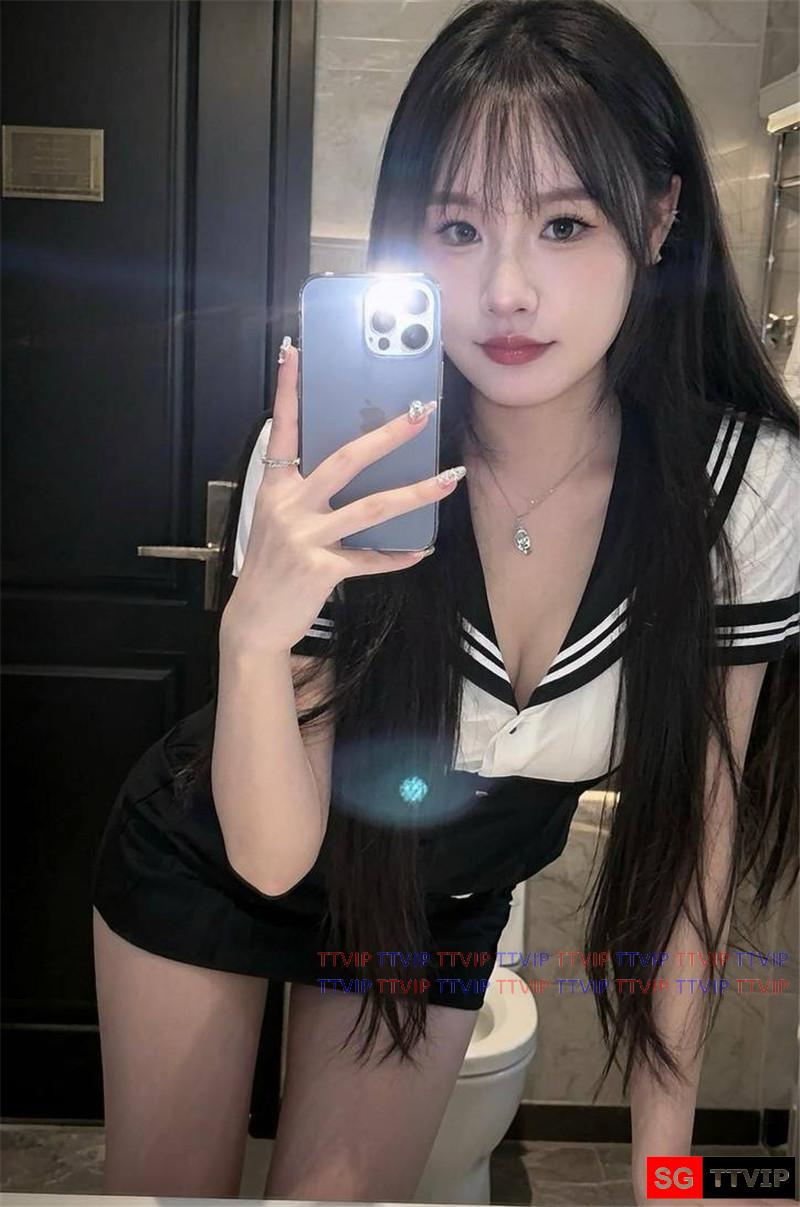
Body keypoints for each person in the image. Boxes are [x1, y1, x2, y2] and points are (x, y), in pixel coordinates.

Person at [91, 0, 800, 1201]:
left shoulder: (741, 489)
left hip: (432, 904)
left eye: (563, 223)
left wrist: (668, 1181)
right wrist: (252, 635)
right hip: (213, 852)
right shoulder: (330, 460)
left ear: (658, 216)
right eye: (458, 228)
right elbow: (272, 857)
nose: (505, 291)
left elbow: (691, 863)